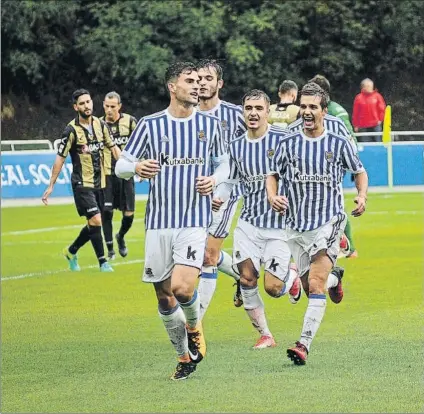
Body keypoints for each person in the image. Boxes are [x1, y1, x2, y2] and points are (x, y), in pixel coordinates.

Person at [115, 62, 229, 380]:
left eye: (199, 81)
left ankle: (194, 326)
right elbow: (120, 166)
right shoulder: (151, 126)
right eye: (189, 81)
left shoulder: (211, 126)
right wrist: (136, 169)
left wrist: (214, 180)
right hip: (158, 224)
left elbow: (226, 165)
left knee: (181, 288)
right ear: (172, 87)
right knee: (164, 295)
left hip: (194, 220)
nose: (197, 85)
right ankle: (183, 357)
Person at [266, 82, 368, 365]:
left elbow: (360, 172)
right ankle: (337, 278)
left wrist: (361, 196)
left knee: (315, 284)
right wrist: (273, 196)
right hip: (295, 225)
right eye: (304, 106)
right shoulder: (288, 142)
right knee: (309, 284)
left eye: (314, 107)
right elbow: (272, 174)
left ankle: (303, 344)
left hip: (328, 221)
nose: (308, 111)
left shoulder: (338, 142)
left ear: (325, 111)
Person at [213, 89, 302, 349]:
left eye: (258, 108)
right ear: (243, 112)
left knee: (273, 288)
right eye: (248, 108)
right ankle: (265, 334)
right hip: (249, 223)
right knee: (247, 279)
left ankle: (291, 278)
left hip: (280, 227)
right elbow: (230, 181)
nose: (253, 113)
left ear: (267, 111)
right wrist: (219, 197)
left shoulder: (284, 140)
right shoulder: (237, 146)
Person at [42, 89, 121, 272]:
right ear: (76, 107)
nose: (87, 106)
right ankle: (103, 262)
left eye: (88, 101)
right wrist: (51, 185)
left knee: (93, 223)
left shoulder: (101, 125)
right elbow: (60, 158)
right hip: (81, 184)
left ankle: (71, 251)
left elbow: (114, 148)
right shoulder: (70, 130)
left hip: (100, 182)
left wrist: (128, 166)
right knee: (96, 219)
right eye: (82, 103)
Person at [196, 59, 247, 318]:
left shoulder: (235, 114)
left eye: (208, 78)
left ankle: (195, 324)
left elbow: (257, 142)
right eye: (199, 78)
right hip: (195, 193)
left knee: (207, 254)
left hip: (226, 192)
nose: (203, 83)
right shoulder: (188, 113)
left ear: (219, 83)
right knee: (191, 252)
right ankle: (241, 274)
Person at [309, 74, 358, 258]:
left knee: (333, 203)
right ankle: (336, 242)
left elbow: (348, 138)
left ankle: (348, 246)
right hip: (319, 164)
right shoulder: (333, 109)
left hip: (331, 164)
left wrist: (351, 164)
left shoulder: (334, 113)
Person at [100, 91, 138, 259]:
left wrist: (141, 164)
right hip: (106, 173)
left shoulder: (130, 122)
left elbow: (141, 143)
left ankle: (120, 236)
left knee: (129, 214)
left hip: (126, 173)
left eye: (112, 107)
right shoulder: (98, 124)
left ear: (119, 106)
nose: (109, 110)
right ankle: (110, 249)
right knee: (106, 211)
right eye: (106, 106)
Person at [352, 78, 386, 142]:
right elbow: (356, 112)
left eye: (371, 86)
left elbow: (382, 109)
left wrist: (380, 120)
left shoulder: (377, 96)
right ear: (363, 87)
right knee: (365, 144)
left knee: (378, 142)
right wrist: (355, 125)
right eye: (368, 86)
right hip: (363, 125)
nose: (370, 88)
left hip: (376, 124)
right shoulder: (358, 97)